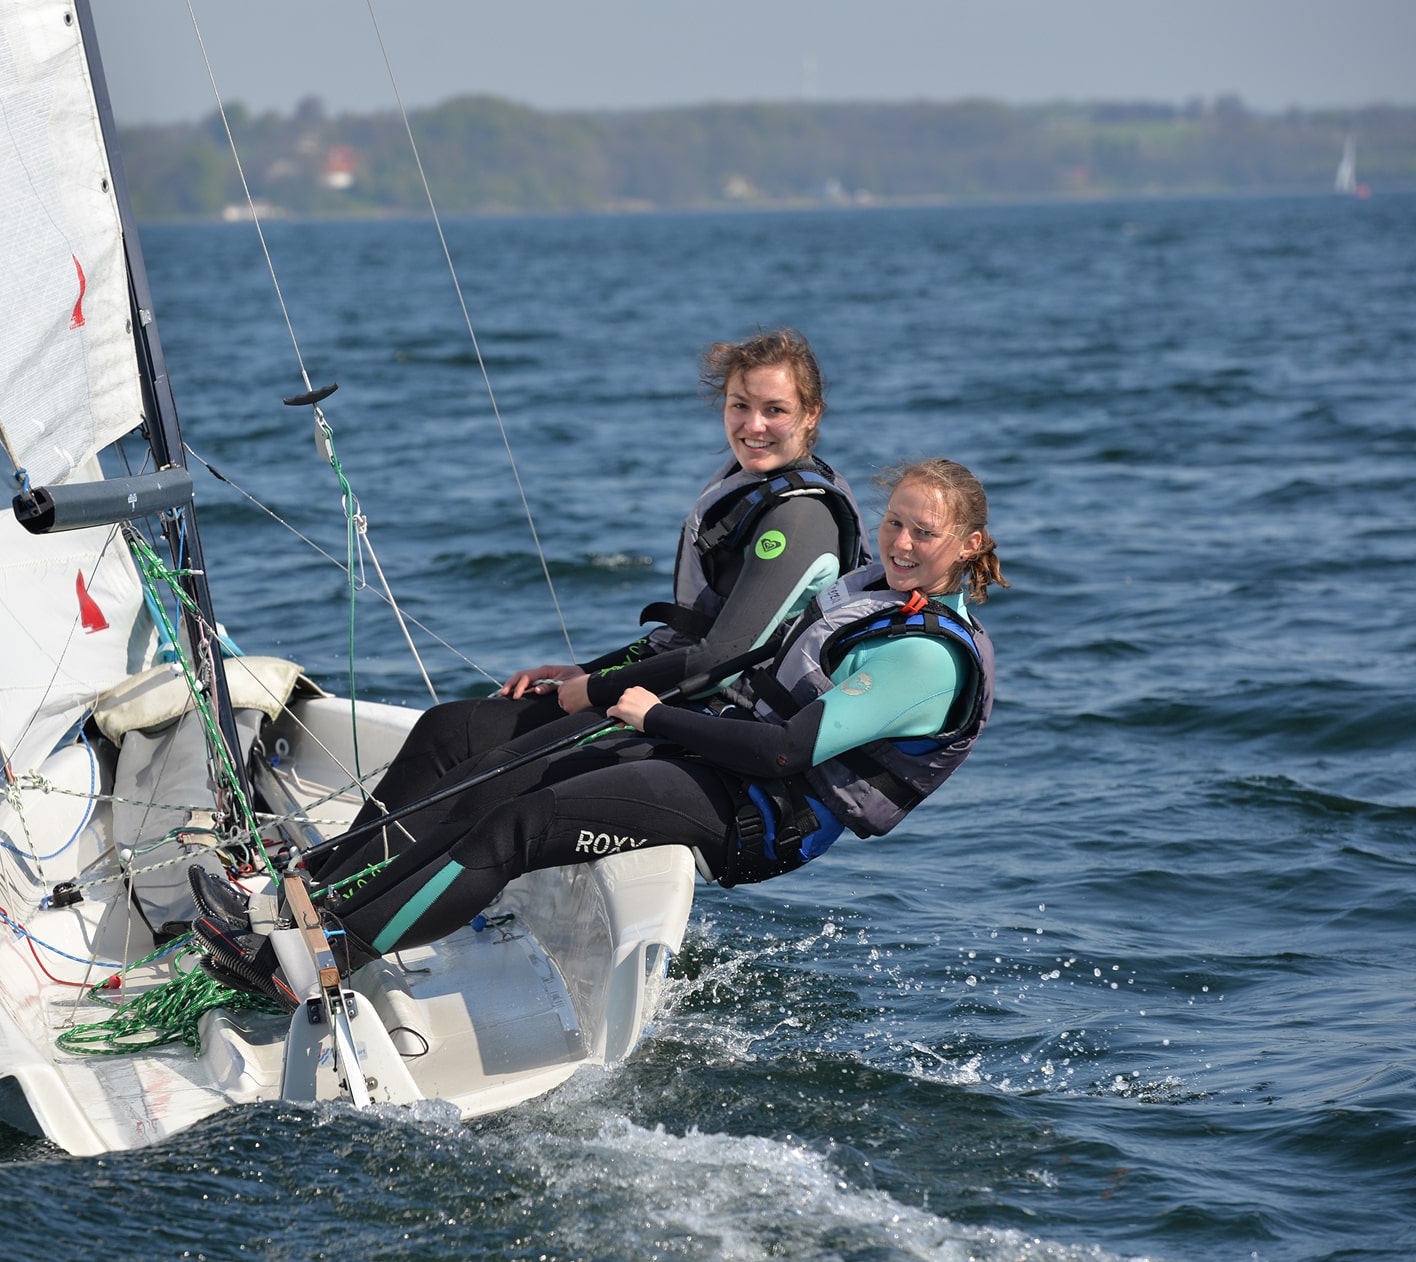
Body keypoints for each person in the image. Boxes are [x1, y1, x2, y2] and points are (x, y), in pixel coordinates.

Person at [195, 459, 1006, 996]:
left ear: (967, 547)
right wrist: (618, 684)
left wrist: (657, 714)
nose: (899, 543)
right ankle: (306, 909)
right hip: (718, 752)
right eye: (895, 523)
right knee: (501, 771)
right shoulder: (874, 590)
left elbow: (787, 749)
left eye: (923, 534)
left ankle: (321, 965)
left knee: (521, 823)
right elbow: (738, 660)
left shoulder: (928, 660)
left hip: (760, 813)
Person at [307, 327, 869, 884]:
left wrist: (596, 692)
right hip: (673, 693)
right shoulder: (746, 482)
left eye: (775, 410)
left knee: (489, 777)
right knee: (451, 729)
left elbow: (720, 656)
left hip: (707, 725)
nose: (753, 425)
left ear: (811, 414)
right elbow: (689, 637)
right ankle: (320, 876)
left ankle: (338, 908)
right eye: (739, 405)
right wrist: (587, 672)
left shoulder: (800, 515)